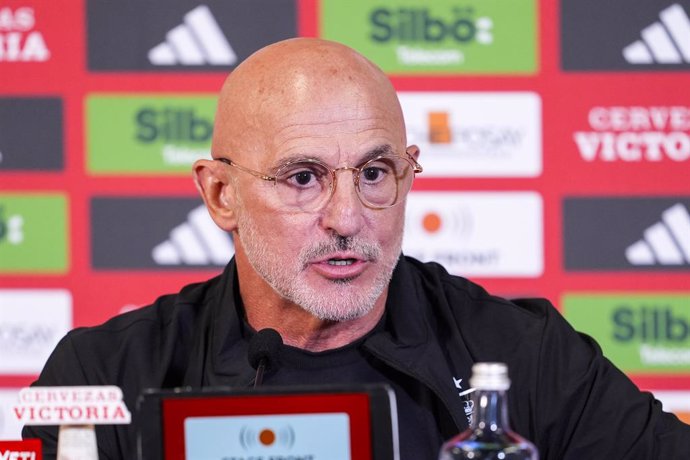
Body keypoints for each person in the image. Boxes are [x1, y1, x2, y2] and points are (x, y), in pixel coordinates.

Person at [24, 38, 689, 459]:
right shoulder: (106, 370)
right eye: (302, 177)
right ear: (221, 193)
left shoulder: (521, 356)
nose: (347, 218)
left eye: (374, 174)